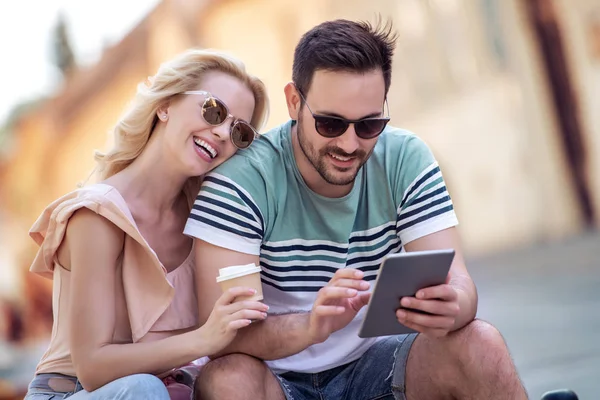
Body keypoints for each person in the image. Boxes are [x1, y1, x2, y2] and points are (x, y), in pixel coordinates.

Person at [185, 20, 530, 400]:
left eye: (369, 124)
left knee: (481, 342)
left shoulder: (405, 158)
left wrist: (455, 304)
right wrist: (313, 325)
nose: (350, 144)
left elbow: (459, 284)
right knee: (225, 380)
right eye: (331, 123)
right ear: (294, 102)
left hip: (381, 364)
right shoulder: (240, 181)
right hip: (277, 379)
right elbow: (224, 337)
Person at [23, 48, 270, 400]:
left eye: (239, 132)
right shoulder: (98, 214)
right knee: (144, 389)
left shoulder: (207, 222)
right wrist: (203, 339)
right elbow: (93, 368)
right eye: (213, 110)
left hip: (170, 389)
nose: (221, 133)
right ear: (165, 105)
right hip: (75, 392)